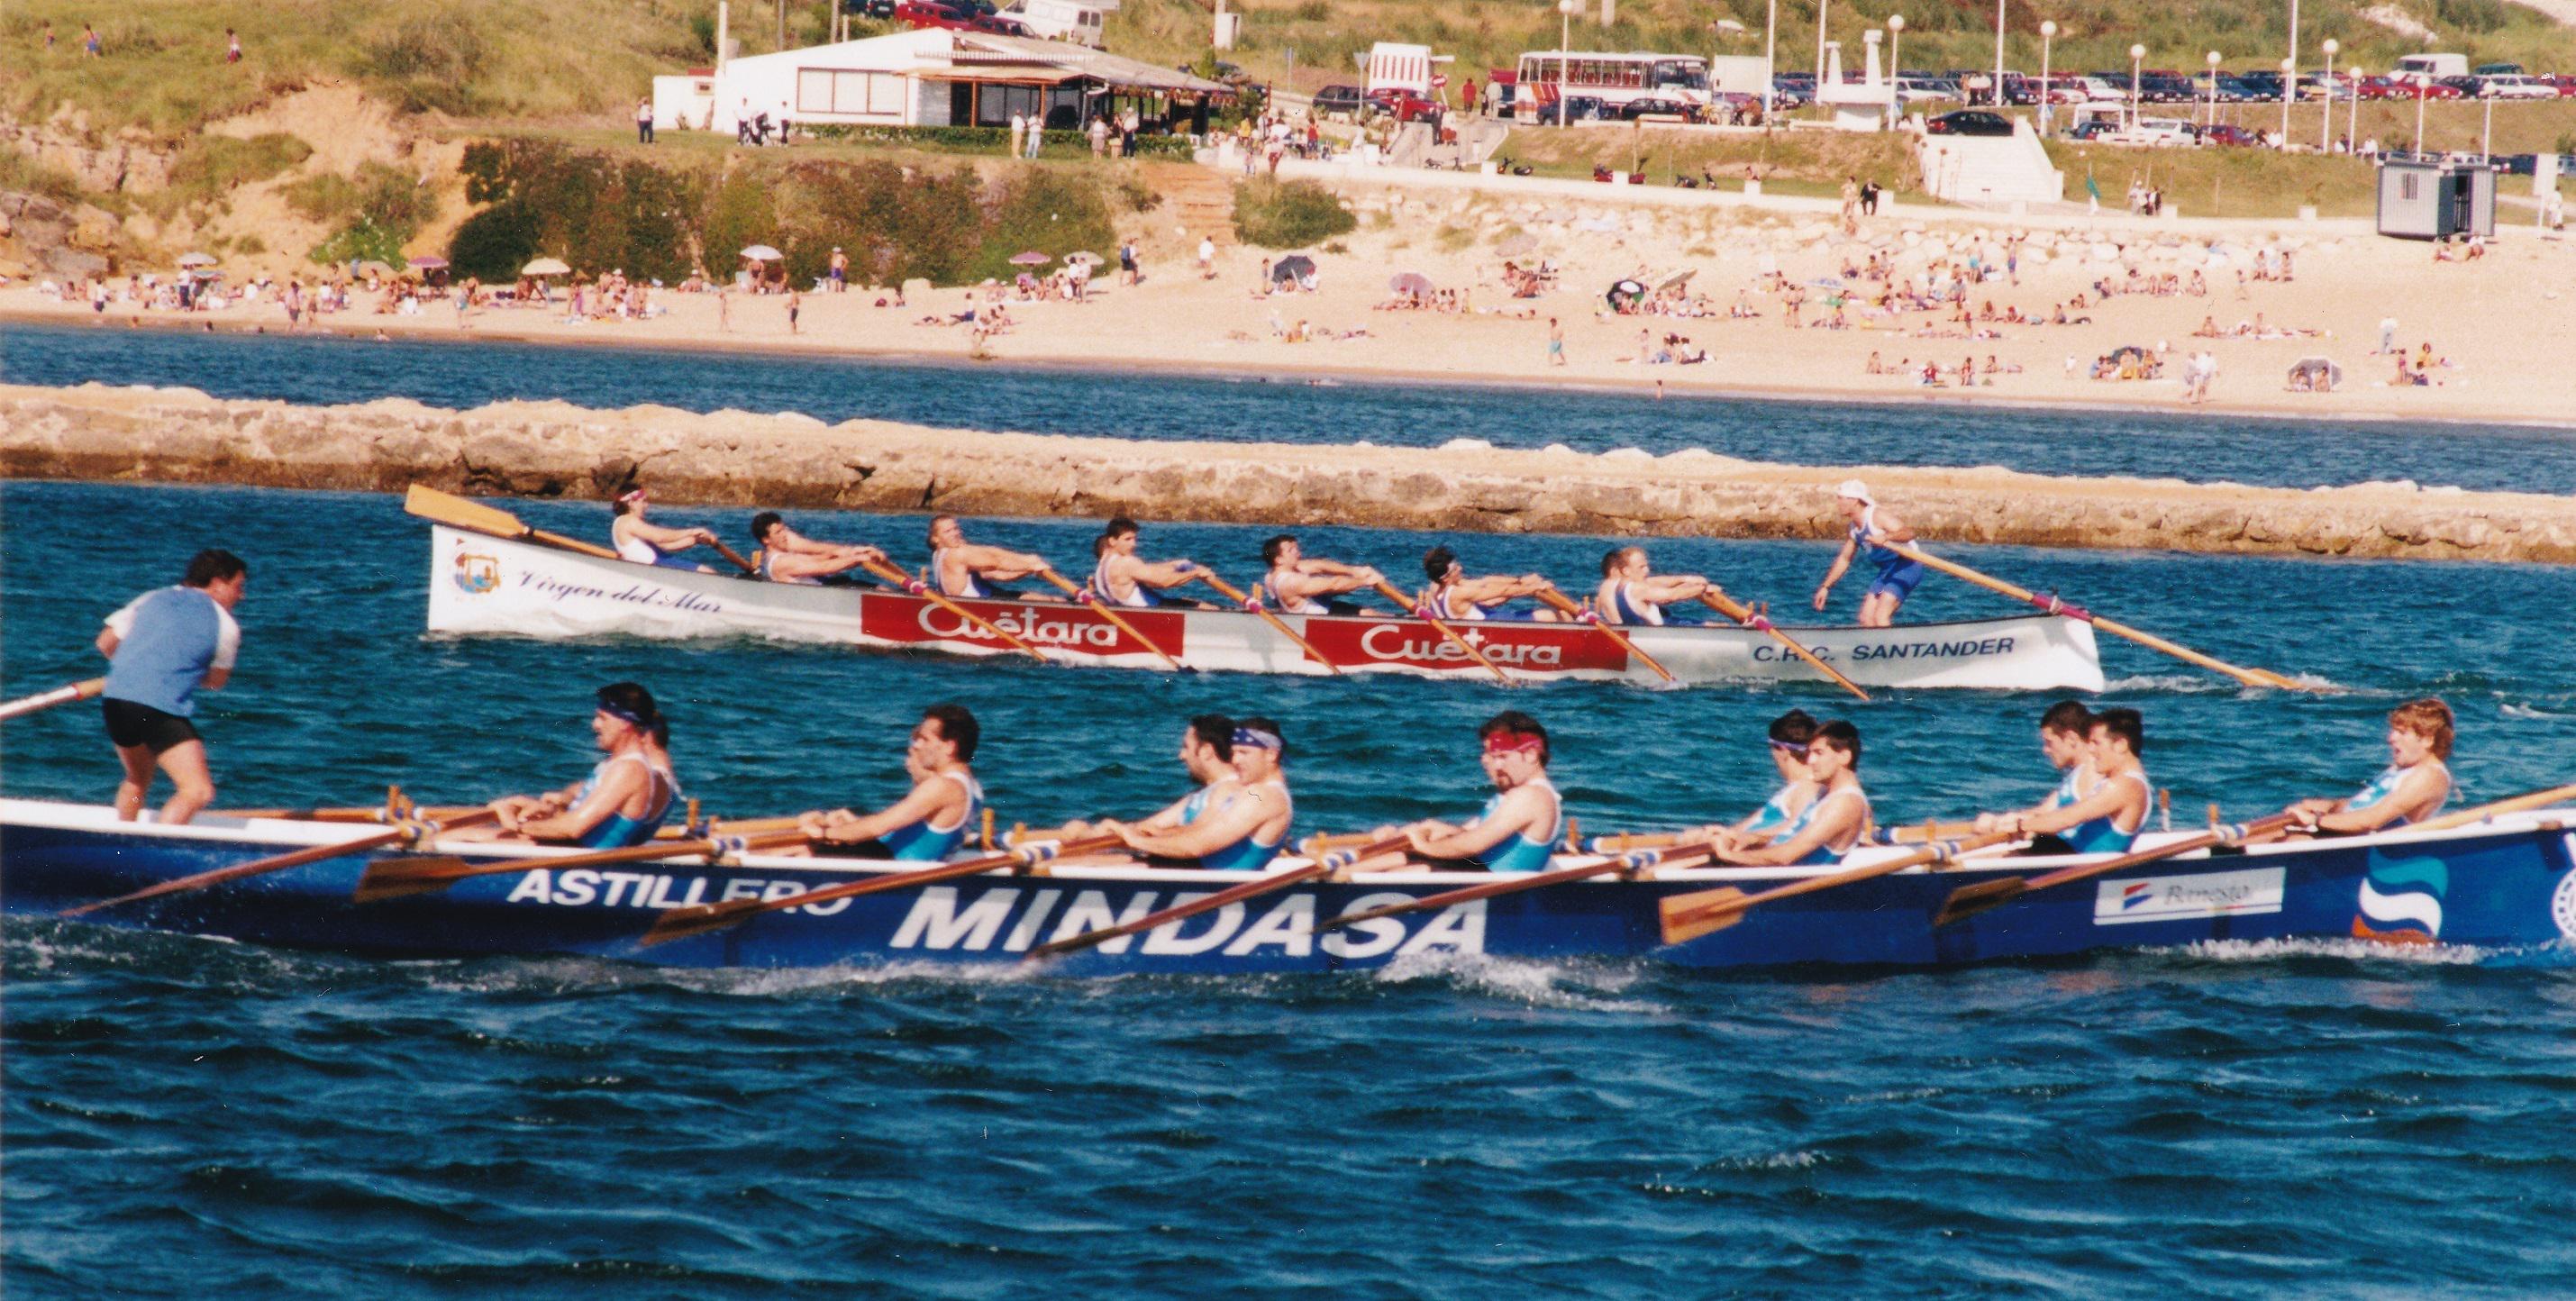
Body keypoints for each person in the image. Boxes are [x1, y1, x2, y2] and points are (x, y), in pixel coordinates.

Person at [96, 549, 248, 825]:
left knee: (137, 780)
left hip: (116, 699)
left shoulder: (151, 598)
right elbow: (216, 682)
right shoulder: (226, 626)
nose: (242, 596)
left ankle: (122, 842)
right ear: (217, 583)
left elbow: (105, 643)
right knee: (198, 790)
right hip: (157, 707)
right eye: (238, 587)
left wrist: (141, 664)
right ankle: (154, 848)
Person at [477, 684, 680, 848]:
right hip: (569, 848)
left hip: (580, 858)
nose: (595, 725)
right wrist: (546, 812)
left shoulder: (630, 769)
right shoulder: (616, 764)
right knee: (464, 835)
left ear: (625, 723)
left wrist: (514, 823)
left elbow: (573, 828)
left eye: (602, 718)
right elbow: (578, 820)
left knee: (466, 837)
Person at [1097, 718, 1295, 869]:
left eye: (1244, 752)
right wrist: (1154, 833)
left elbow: (1196, 846)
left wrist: (1136, 840)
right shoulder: (1256, 794)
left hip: (1203, 876)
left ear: (1271, 754)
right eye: (1234, 752)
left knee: (1095, 861)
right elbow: (1199, 831)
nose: (1235, 760)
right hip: (1193, 868)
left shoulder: (1266, 798)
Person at [796, 705, 985, 860]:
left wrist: (824, 833)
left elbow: (878, 827)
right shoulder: (972, 787)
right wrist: (850, 825)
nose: (917, 745)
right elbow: (904, 830)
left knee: (797, 848)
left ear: (949, 746)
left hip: (890, 867)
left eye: (925, 739)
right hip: (885, 855)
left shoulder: (944, 787)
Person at [1389, 712, 1564, 872]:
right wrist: (1438, 830)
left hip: (1494, 886)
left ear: (1532, 755)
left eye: (1502, 757)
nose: (1495, 767)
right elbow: (1473, 834)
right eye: (1490, 757)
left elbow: (1472, 844)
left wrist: (1421, 845)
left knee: (1400, 862)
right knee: (1393, 857)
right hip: (1481, 871)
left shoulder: (1532, 796)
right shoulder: (1514, 794)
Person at [1985, 706, 2153, 855]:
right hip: (2062, 854)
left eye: (2096, 743)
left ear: (2121, 745)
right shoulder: (2115, 783)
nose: (2091, 750)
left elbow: (2068, 818)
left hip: (2076, 867)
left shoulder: (2128, 786)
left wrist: (2021, 825)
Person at [1712, 719, 1871, 866]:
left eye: (1819, 753)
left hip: (1785, 880)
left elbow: (1787, 855)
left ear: (1844, 757)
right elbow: (1794, 835)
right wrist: (1751, 837)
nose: (1810, 761)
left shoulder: (1846, 803)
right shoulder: (1827, 795)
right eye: (1810, 753)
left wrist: (1728, 855)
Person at [2284, 698, 2454, 835]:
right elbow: (2363, 805)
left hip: (2368, 852)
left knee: (2292, 841)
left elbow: (2372, 819)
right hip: (2345, 837)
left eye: (2402, 733)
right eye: (2393, 731)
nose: (2391, 738)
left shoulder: (2429, 776)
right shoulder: (2403, 769)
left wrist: (2315, 820)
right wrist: (2328, 806)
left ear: (2427, 740)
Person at [1972, 701, 2101, 855]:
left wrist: (2019, 824)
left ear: (2071, 739)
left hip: (2074, 858)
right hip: (2060, 849)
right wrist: (2001, 821)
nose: (2045, 750)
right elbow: (2044, 811)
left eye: (2049, 742)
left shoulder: (2092, 771)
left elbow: (2066, 819)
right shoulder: (2078, 774)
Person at [1682, 710, 1820, 854]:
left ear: (1783, 751)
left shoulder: (1807, 788)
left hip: (1750, 856)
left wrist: (1739, 837)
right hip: (1741, 849)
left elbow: (1796, 829)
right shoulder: (1794, 789)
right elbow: (1746, 826)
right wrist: (1714, 834)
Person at [1811, 479, 1921, 628]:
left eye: (1840, 498)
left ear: (1854, 501)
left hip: (1907, 566)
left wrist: (1885, 537)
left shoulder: (1876, 516)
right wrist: (1825, 587)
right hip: (1887, 570)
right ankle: (1874, 649)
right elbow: (1844, 559)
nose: (1838, 503)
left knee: (1881, 616)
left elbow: (1909, 533)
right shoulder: (1853, 529)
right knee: (1866, 618)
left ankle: (1891, 650)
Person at [926, 514, 1060, 601]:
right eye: (947, 531)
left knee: (1056, 601)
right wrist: (1030, 563)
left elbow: (998, 574)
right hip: (980, 606)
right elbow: (996, 561)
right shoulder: (956, 554)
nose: (955, 533)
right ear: (935, 539)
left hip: (991, 597)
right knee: (1056, 601)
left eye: (955, 529)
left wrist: (1029, 568)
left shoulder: (940, 553)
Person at [1421, 545, 1560, 622]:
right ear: (1446, 577)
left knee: (1496, 600)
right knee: (1550, 616)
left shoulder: (1435, 586)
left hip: (1485, 615)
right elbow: (1503, 591)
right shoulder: (1458, 593)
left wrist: (1521, 581)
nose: (1460, 568)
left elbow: (1485, 582)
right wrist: (1534, 587)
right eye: (1456, 568)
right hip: (1491, 622)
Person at [1089, 517, 1201, 608]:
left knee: (1187, 601)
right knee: (1206, 608)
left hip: (1134, 609)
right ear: (1112, 541)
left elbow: (1148, 570)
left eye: (1134, 539)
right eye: (1127, 539)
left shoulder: (1102, 566)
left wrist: (1176, 565)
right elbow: (1163, 582)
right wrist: (1196, 573)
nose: (1134, 544)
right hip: (1155, 610)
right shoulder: (1126, 562)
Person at [1260, 534, 1384, 615]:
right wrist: (1366, 581)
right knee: (1370, 614)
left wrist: (1354, 571)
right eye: (1291, 550)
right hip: (1322, 619)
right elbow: (1334, 584)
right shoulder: (1290, 582)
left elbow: (1318, 565)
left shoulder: (1272, 574)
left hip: (1323, 609)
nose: (1298, 553)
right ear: (1278, 560)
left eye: (1296, 548)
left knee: (1372, 613)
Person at [750, 512, 886, 584]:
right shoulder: (781, 562)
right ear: (766, 540)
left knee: (879, 589)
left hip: (829, 585)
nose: (785, 535)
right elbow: (826, 567)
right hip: (825, 592)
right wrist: (858, 559)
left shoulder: (785, 554)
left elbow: (820, 559)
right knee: (879, 590)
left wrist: (855, 551)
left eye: (784, 529)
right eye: (778, 532)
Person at [1593, 546, 1711, 625]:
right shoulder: (1637, 589)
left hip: (1648, 631)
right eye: (1641, 567)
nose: (1647, 570)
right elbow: (1672, 596)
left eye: (1646, 566)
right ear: (1626, 571)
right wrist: (1703, 588)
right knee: (1713, 625)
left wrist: (1685, 579)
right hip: (1663, 635)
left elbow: (1657, 582)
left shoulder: (1619, 587)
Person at [610, 487, 720, 570]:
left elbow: (665, 545)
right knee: (708, 573)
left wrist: (696, 539)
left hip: (660, 563)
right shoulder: (628, 521)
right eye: (643, 501)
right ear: (631, 503)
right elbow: (660, 537)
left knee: (708, 572)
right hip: (656, 566)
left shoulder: (630, 523)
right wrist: (692, 531)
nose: (647, 506)